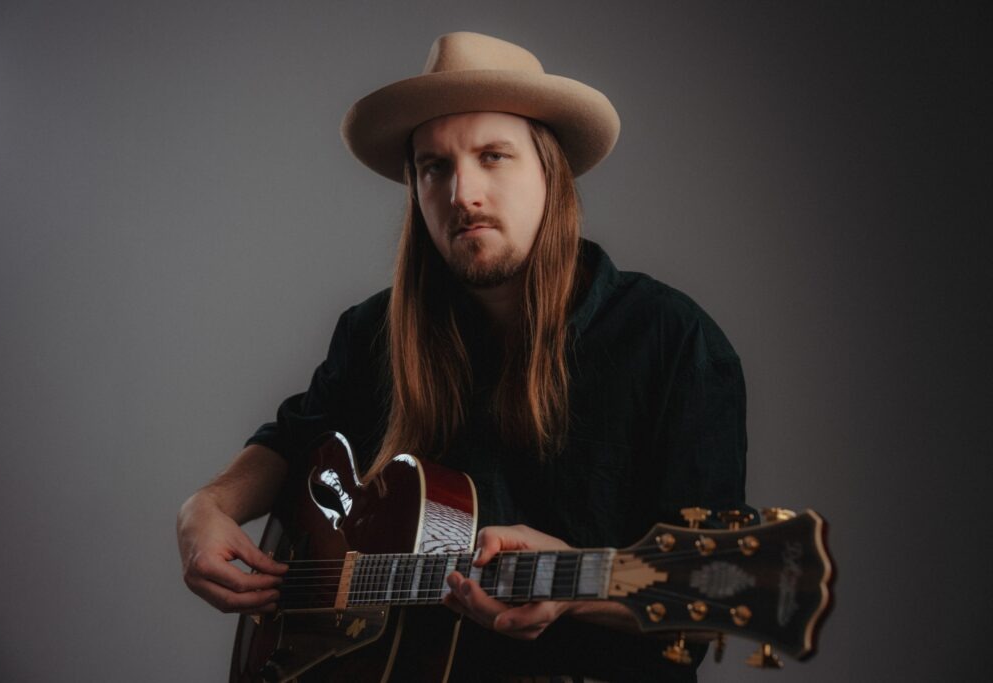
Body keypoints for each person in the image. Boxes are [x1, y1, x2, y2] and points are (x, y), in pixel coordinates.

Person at [177, 31, 750, 681]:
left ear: (550, 170)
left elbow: (716, 587)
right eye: (434, 167)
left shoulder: (673, 341)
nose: (462, 194)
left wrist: (577, 588)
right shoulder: (374, 333)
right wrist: (206, 508)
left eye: (493, 156)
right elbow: (293, 441)